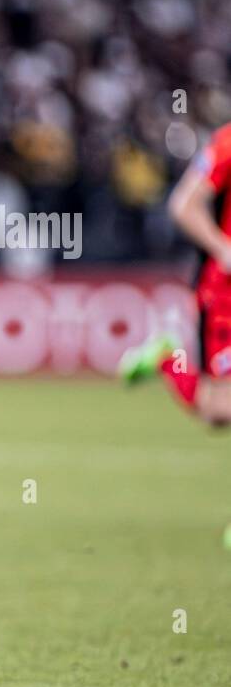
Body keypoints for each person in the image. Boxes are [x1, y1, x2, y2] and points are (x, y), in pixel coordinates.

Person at [119, 123, 231, 543]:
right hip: (223, 295)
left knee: (219, 414)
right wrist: (223, 250)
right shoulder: (227, 144)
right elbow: (184, 205)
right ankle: (170, 358)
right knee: (218, 412)